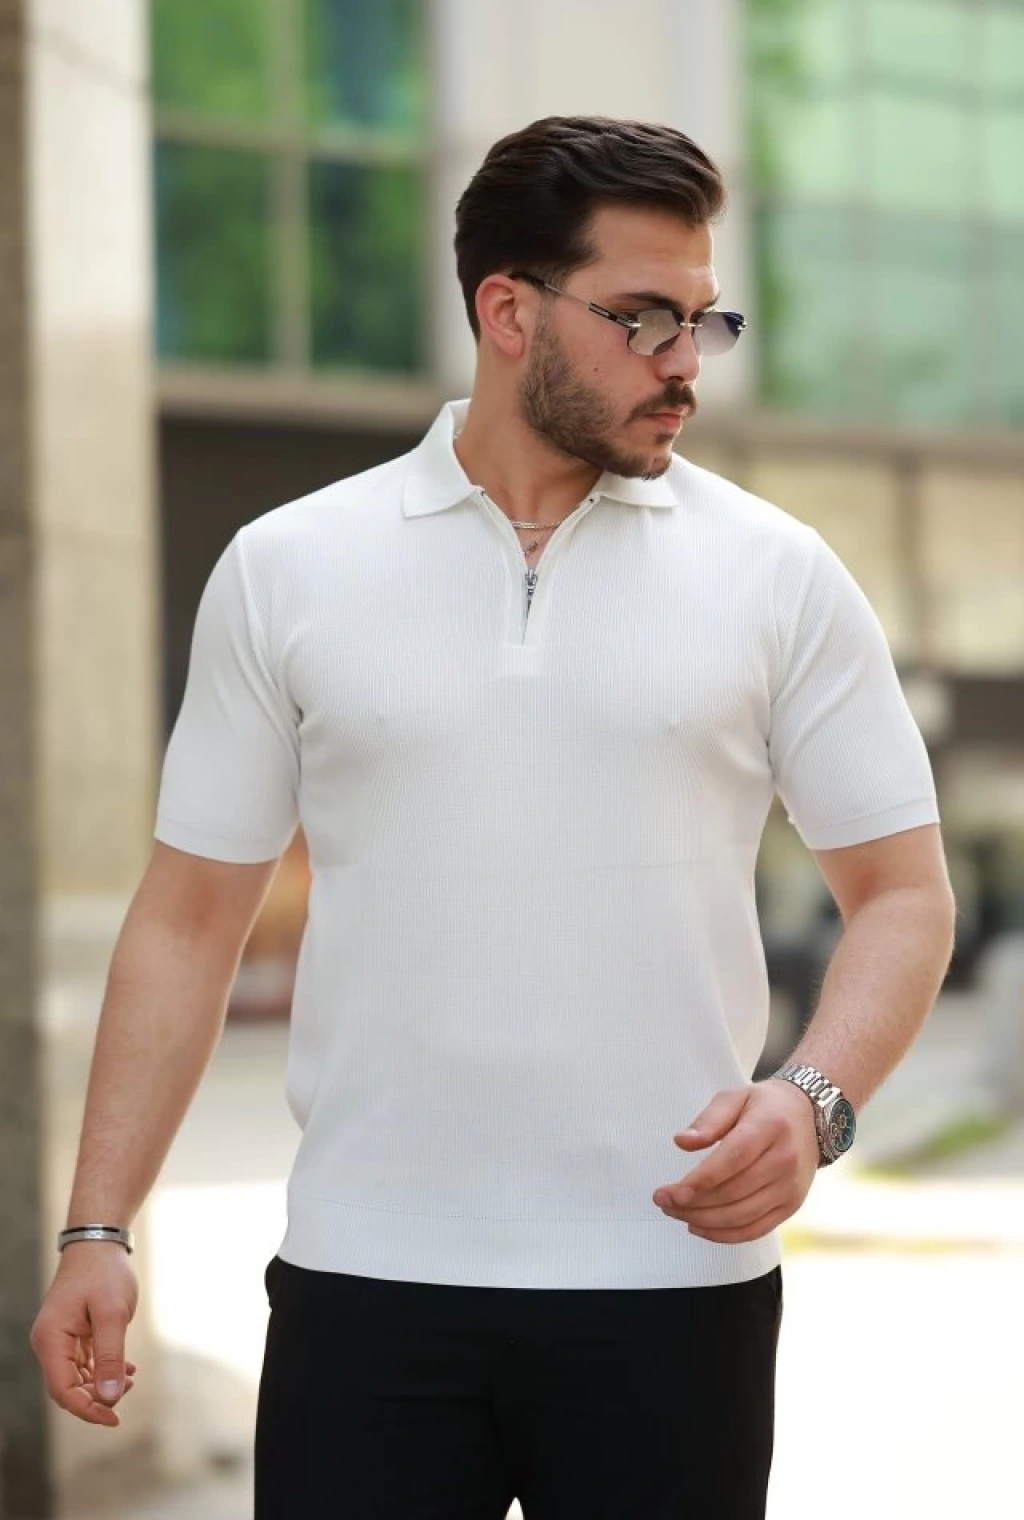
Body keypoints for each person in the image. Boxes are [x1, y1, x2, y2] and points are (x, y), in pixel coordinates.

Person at [31, 115, 956, 1519]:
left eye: (705, 321)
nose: (684, 363)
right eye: (643, 318)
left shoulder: (779, 575)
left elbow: (902, 891)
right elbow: (188, 922)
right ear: (508, 312)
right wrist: (97, 1228)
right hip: (367, 1287)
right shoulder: (289, 568)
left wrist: (814, 1100)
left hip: (672, 1292)